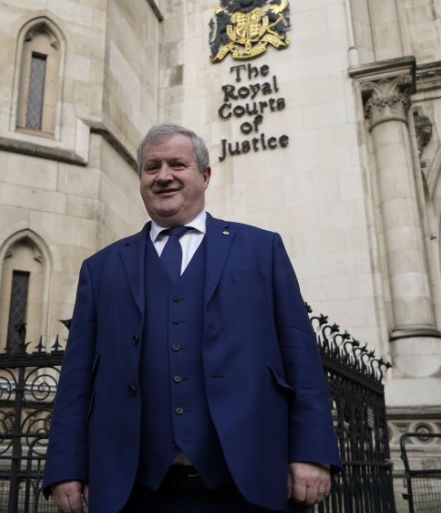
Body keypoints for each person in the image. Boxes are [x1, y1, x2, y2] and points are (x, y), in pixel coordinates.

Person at [43, 123, 341, 513]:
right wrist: (66, 467)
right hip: (134, 490)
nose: (163, 176)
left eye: (177, 165)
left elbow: (300, 357)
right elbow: (77, 377)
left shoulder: (261, 249)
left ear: (205, 175)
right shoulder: (101, 268)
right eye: (152, 167)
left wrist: (312, 452)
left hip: (246, 482)